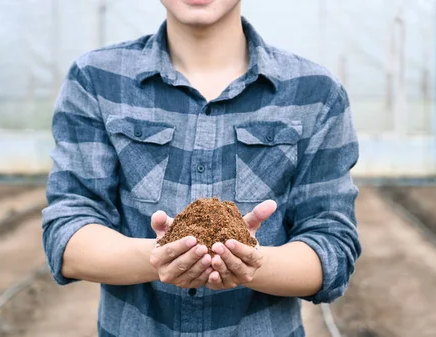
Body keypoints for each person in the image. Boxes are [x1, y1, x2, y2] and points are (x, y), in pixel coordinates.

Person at [42, 0, 361, 336]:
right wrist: (160, 255)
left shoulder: (315, 93)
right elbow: (68, 230)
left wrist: (249, 262)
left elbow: (332, 246)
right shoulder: (97, 79)